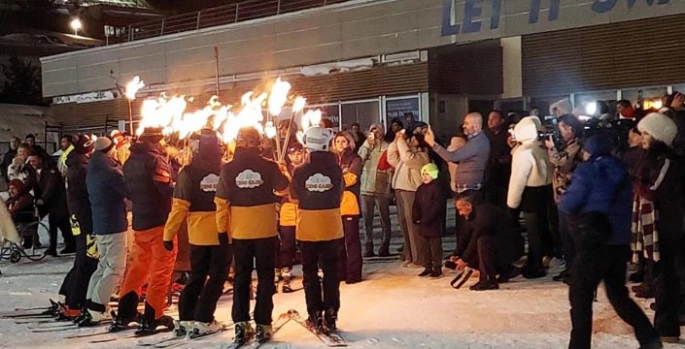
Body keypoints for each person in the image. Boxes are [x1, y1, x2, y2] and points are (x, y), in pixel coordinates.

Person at [560, 134, 663, 349]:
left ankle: (579, 346)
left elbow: (570, 203)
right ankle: (649, 337)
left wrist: (563, 194)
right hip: (618, 242)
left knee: (580, 296)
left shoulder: (587, 170)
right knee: (618, 294)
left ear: (588, 151)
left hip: (593, 242)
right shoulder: (623, 171)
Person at [215, 127, 289, 345]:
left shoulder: (228, 168)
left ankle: (240, 321)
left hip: (240, 230)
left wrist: (222, 229)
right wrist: (281, 171)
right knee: (266, 277)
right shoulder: (269, 165)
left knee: (241, 277)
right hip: (265, 229)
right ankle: (263, 322)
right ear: (258, 142)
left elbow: (221, 201)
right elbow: (284, 189)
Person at [163, 129, 230, 337]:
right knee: (218, 276)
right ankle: (203, 318)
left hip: (198, 233)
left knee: (197, 276)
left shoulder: (187, 172)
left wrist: (168, 233)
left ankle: (185, 318)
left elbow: (179, 206)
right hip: (223, 232)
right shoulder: (226, 169)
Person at [115, 127, 176, 334]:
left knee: (137, 269)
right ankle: (153, 316)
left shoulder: (130, 161)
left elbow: (128, 191)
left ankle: (125, 313)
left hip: (140, 222)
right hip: (159, 222)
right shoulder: (154, 160)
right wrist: (179, 187)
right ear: (155, 141)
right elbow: (166, 188)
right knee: (161, 270)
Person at [633, 113, 685, 343]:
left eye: (646, 133)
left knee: (666, 277)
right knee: (660, 276)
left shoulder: (667, 161)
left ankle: (667, 327)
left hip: (666, 226)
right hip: (657, 226)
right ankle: (665, 323)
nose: (642, 137)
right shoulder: (650, 160)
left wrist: (634, 184)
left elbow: (654, 190)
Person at [290, 126, 344, 334]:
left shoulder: (300, 170)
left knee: (309, 272)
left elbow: (294, 198)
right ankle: (331, 312)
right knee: (331, 271)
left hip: (308, 228)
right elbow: (340, 196)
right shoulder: (336, 169)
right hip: (331, 225)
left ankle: (314, 313)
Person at [80, 137, 128, 327]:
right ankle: (98, 308)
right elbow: (128, 190)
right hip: (113, 224)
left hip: (100, 224)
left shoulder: (92, 167)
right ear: (110, 150)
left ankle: (91, 303)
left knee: (103, 265)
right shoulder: (110, 171)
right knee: (114, 268)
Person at [507, 116, 552, 279]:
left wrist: (512, 203)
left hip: (530, 194)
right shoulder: (540, 147)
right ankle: (538, 259)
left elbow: (518, 180)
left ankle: (536, 264)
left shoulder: (524, 153)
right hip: (544, 192)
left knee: (533, 232)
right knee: (540, 229)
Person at [59, 135, 99, 319]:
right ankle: (75, 303)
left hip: (76, 219)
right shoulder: (82, 169)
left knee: (81, 259)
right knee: (87, 261)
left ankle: (68, 296)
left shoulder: (74, 164)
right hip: (85, 221)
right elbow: (87, 197)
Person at [453, 192, 524, 291]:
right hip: (502, 244)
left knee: (482, 243)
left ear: (468, 205)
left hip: (512, 246)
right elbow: (466, 235)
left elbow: (477, 237)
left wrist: (464, 259)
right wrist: (457, 254)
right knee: (477, 249)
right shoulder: (474, 212)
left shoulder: (484, 213)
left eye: (460, 209)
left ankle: (488, 280)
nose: (460, 213)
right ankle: (507, 270)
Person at [545, 114, 584, 283]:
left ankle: (576, 271)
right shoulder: (568, 144)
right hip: (561, 194)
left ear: (570, 128)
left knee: (571, 235)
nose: (559, 132)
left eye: (561, 128)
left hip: (570, 194)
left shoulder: (577, 146)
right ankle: (570, 269)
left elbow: (561, 163)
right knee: (564, 234)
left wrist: (551, 148)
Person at [387, 127, 431, 267]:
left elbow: (407, 158)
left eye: (413, 139)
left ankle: (419, 258)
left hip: (412, 191)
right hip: (400, 190)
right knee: (404, 225)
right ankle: (410, 255)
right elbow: (391, 157)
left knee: (413, 226)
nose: (410, 141)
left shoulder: (422, 156)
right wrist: (396, 141)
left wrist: (400, 140)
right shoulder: (407, 154)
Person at [358, 124, 393, 257]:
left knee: (384, 219)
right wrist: (367, 144)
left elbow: (390, 167)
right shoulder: (366, 146)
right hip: (366, 188)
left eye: (377, 131)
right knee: (367, 219)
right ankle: (368, 245)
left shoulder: (387, 147)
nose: (375, 133)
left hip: (381, 187)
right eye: (372, 131)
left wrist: (389, 187)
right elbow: (359, 160)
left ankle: (385, 246)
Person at [29, 154, 75, 256]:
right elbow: (30, 184)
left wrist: (43, 199)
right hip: (50, 204)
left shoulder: (50, 170)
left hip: (58, 202)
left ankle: (62, 245)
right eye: (30, 161)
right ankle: (56, 246)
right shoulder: (33, 172)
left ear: (40, 160)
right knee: (56, 224)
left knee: (60, 224)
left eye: (34, 161)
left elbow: (51, 186)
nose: (32, 164)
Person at [333, 132, 363, 284]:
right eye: (337, 141)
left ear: (349, 142)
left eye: (343, 141)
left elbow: (352, 178)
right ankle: (340, 272)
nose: (340, 144)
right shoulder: (331, 159)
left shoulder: (354, 158)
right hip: (334, 206)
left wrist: (333, 180)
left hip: (350, 204)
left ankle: (354, 273)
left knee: (351, 241)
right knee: (338, 242)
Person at [276, 142, 305, 291]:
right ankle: (285, 271)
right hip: (287, 209)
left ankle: (312, 272)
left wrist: (288, 176)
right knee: (288, 243)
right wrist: (282, 173)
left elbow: (298, 188)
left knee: (305, 242)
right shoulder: (282, 169)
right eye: (293, 154)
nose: (296, 156)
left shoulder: (305, 169)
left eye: (299, 153)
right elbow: (280, 190)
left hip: (302, 209)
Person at [411, 163, 445, 278]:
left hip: (434, 222)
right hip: (424, 223)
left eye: (428, 174)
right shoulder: (420, 188)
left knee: (435, 246)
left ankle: (437, 267)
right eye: (423, 174)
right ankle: (427, 266)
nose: (425, 176)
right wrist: (415, 216)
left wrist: (427, 218)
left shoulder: (437, 188)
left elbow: (437, 206)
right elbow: (416, 204)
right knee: (424, 246)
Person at [484, 110, 511, 208]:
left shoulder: (507, 136)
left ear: (502, 120)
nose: (490, 121)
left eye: (494, 118)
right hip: (488, 175)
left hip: (503, 175)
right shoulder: (484, 135)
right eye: (489, 119)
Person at [6, 179, 35, 248]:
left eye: (13, 188)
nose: (10, 191)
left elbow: (16, 208)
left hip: (24, 220)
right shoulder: (11, 199)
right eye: (9, 189)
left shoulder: (25, 197)